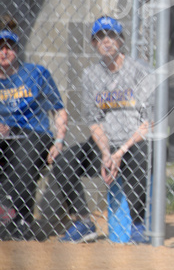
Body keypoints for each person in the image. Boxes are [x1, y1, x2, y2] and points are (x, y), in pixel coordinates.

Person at [48, 16, 153, 243]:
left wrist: (120, 152)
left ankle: (137, 225)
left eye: (111, 35)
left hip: (133, 143)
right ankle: (84, 222)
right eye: (100, 37)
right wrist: (106, 153)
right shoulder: (90, 75)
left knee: (143, 154)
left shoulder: (140, 70)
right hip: (105, 144)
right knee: (64, 161)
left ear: (121, 40)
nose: (106, 41)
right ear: (94, 44)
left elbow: (148, 122)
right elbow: (94, 121)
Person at [0, 14, 68, 240]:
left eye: (10, 47)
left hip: (35, 133)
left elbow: (58, 110)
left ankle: (17, 219)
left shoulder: (36, 73)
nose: (5, 52)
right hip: (5, 137)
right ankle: (18, 220)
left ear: (17, 50)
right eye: (0, 47)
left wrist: (59, 141)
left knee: (23, 158)